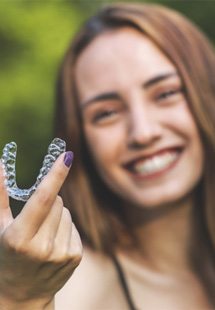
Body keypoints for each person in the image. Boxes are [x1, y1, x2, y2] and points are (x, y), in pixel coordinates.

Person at [0, 2, 214, 309]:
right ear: (80, 139)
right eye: (107, 113)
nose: (143, 132)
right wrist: (20, 298)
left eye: (165, 94)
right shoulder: (70, 290)